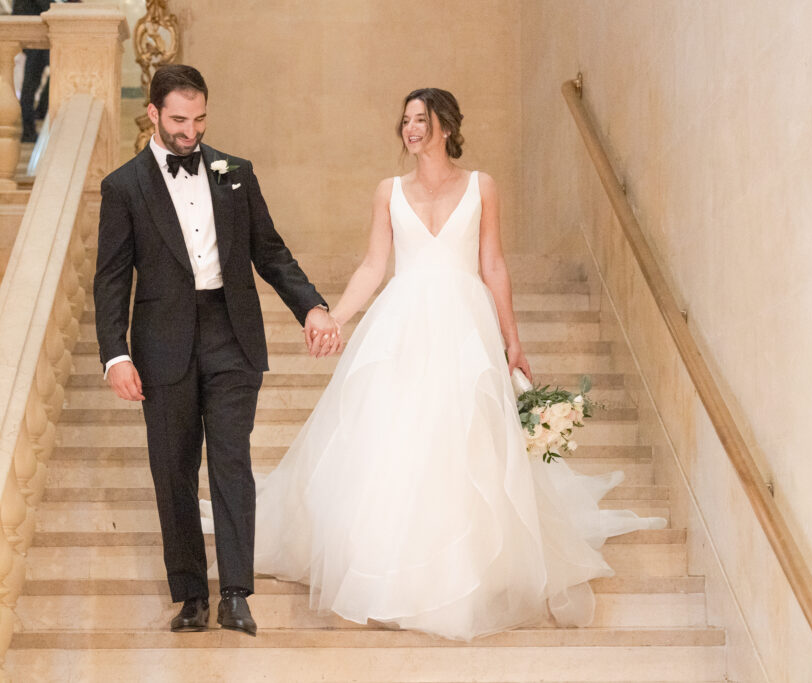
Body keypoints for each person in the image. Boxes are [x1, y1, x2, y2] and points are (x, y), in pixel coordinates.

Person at [253, 88, 666, 641]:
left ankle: (464, 571)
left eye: (420, 120)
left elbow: (492, 264)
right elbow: (374, 266)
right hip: (401, 325)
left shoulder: (481, 186)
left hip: (464, 325)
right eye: (405, 121)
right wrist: (334, 316)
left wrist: (511, 339)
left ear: (445, 126)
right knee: (396, 439)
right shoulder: (388, 192)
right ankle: (390, 570)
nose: (410, 129)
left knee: (462, 438)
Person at [93, 64, 341, 638]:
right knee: (174, 470)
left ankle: (235, 593)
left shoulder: (237, 174)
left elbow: (270, 253)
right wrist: (115, 354)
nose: (191, 130)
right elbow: (111, 280)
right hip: (162, 344)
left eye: (200, 118)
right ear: (153, 113)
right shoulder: (123, 187)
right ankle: (190, 596)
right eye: (179, 119)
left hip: (232, 336)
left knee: (231, 463)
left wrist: (311, 306)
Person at [12, 0, 50, 142]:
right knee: (30, 85)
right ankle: (29, 128)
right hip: (34, 38)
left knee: (34, 82)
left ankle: (40, 110)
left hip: (35, 39)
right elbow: (46, 6)